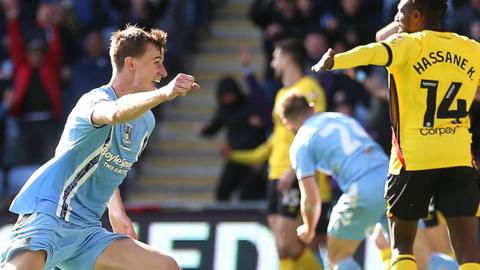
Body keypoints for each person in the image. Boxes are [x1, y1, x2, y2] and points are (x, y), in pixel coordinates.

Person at [0, 24, 199, 270]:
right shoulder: (94, 101)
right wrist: (166, 93)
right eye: (156, 62)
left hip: (87, 232)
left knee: (165, 266)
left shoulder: (146, 121)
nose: (163, 71)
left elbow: (109, 164)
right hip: (50, 216)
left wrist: (116, 210)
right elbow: (115, 113)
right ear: (131, 63)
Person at [312, 0, 480, 269]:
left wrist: (334, 61)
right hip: (458, 158)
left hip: (413, 160)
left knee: (402, 246)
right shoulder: (472, 49)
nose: (395, 17)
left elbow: (371, 51)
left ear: (416, 14)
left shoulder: (407, 45)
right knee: (470, 254)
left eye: (400, 11)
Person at [230, 38, 328, 270]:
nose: (273, 63)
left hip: (292, 173)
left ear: (288, 58)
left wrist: (293, 171)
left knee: (288, 244)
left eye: (276, 57)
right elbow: (277, 138)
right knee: (283, 246)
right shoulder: (282, 93)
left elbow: (314, 133)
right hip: (275, 173)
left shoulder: (309, 90)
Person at [278, 93, 388, 269]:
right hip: (392, 179)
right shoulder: (339, 118)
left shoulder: (301, 142)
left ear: (288, 123)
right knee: (409, 252)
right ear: (312, 108)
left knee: (336, 255)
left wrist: (309, 229)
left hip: (362, 188)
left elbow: (310, 199)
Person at [197, 76, 267, 201]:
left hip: (253, 157)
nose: (228, 99)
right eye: (224, 96)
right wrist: (204, 130)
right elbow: (215, 126)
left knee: (248, 194)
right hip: (234, 156)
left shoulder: (250, 105)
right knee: (222, 192)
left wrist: (261, 123)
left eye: (230, 95)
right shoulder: (224, 110)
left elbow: (266, 126)